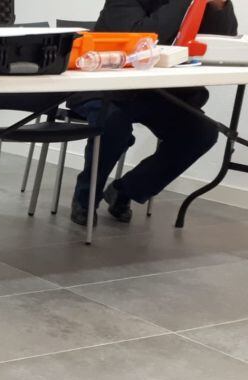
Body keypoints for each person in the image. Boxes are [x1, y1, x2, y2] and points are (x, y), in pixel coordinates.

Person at [69, 0, 238, 226]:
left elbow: (222, 41)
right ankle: (85, 197)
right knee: (113, 125)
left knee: (200, 133)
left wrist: (219, 6)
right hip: (103, 88)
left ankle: (125, 191)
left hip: (157, 92)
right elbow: (141, 38)